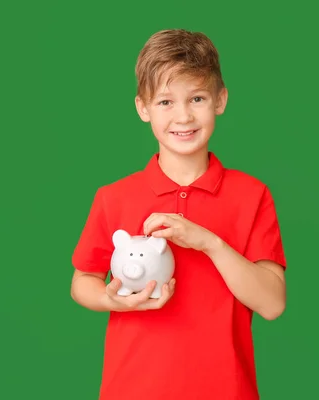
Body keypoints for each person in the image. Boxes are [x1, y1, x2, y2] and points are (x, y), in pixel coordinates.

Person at [70, 29, 287, 400]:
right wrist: (112, 300)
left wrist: (210, 243)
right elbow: (82, 282)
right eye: (166, 102)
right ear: (143, 108)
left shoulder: (252, 195)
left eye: (197, 98)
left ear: (220, 100)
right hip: (132, 389)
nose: (183, 116)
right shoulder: (113, 197)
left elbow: (272, 304)